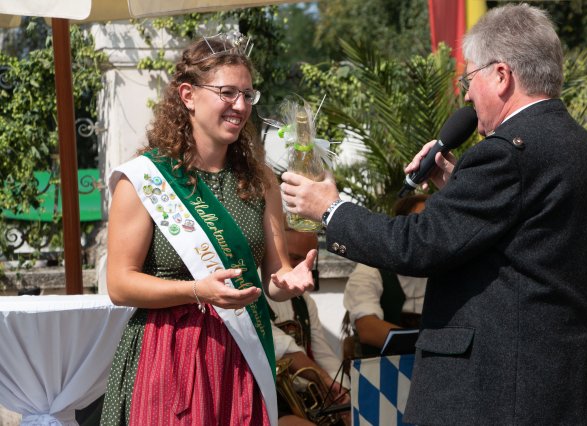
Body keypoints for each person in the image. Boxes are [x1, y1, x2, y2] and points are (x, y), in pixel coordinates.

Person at [280, 4, 587, 425]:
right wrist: (457, 184)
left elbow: (417, 245)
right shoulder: (586, 150)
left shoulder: (509, 153)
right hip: (562, 389)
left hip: (498, 396)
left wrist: (330, 208)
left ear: (501, 74)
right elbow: (524, 242)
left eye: (469, 78)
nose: (466, 94)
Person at [101, 32, 316, 426]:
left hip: (241, 355)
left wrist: (289, 279)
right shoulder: (145, 179)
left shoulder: (261, 180)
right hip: (168, 355)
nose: (241, 106)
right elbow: (119, 284)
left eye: (248, 95)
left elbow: (273, 274)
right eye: (228, 93)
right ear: (187, 95)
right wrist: (196, 290)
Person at [270, 226, 350, 426]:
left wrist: (342, 391)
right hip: (266, 396)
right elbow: (281, 348)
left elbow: (322, 352)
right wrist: (324, 380)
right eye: (294, 258)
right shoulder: (251, 294)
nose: (302, 268)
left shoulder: (305, 301)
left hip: (300, 397)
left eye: (308, 261)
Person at [343, 194, 427, 358]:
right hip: (382, 373)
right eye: (422, 224)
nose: (429, 233)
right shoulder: (371, 269)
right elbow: (368, 329)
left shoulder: (445, 270)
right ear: (401, 228)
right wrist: (431, 346)